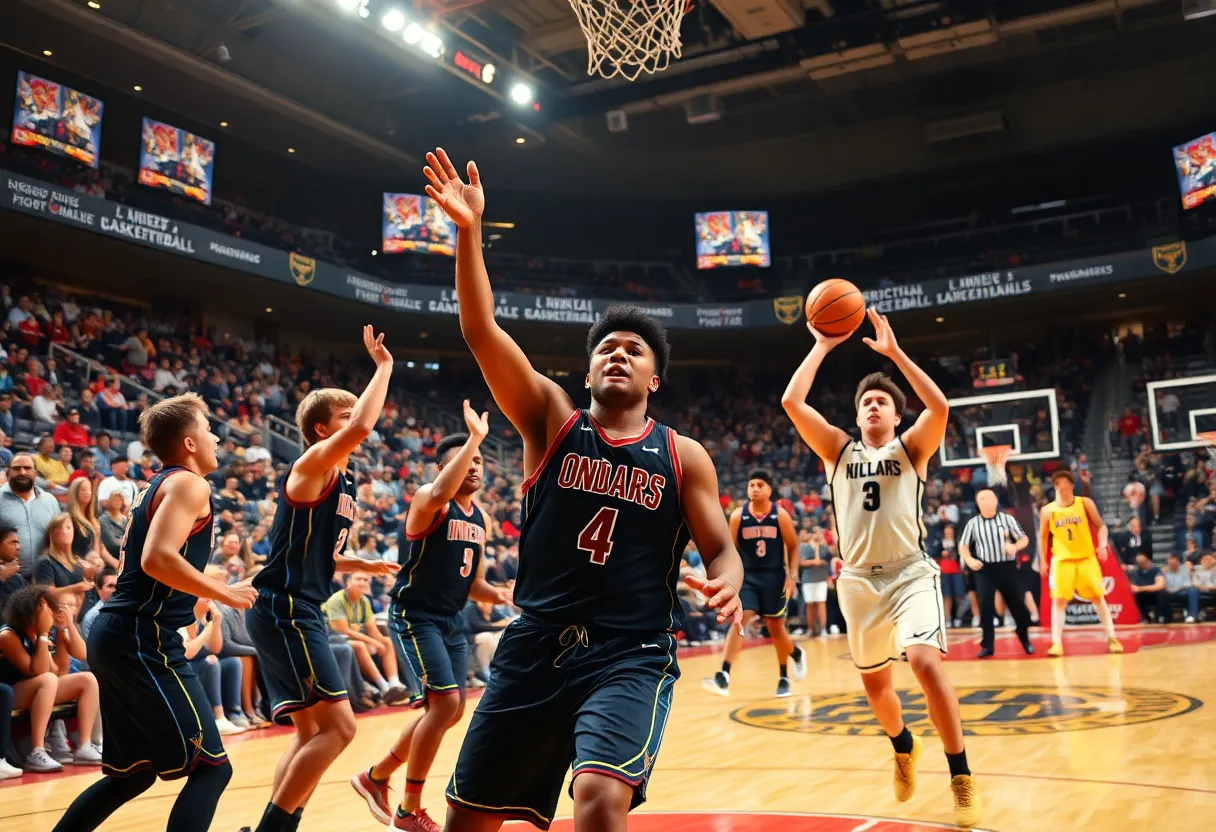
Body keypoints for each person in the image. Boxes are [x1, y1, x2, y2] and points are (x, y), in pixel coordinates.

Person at [423, 148, 743, 832]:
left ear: (655, 378)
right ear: (588, 369)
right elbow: (481, 332)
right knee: (467, 819)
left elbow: (721, 549)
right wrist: (468, 232)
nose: (618, 352)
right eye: (606, 347)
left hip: (630, 651)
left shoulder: (683, 455)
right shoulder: (550, 419)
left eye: (635, 348)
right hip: (535, 642)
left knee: (600, 797)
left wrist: (729, 579)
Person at [781, 309, 981, 828]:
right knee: (876, 690)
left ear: (896, 416)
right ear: (858, 415)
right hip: (858, 582)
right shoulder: (837, 450)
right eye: (866, 401)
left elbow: (939, 405)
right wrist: (823, 345)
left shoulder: (912, 447)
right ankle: (902, 744)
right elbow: (791, 402)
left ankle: (960, 775)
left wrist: (894, 356)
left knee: (924, 662)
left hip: (911, 572)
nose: (873, 405)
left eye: (883, 402)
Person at [51, 393, 258, 832]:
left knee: (134, 774)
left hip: (121, 634)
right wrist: (222, 591)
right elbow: (157, 558)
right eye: (207, 428)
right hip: (141, 639)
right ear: (188, 442)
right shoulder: (188, 483)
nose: (217, 436)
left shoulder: (157, 484)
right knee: (213, 768)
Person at [246, 326, 401, 832]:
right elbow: (361, 429)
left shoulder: (345, 481)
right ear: (320, 430)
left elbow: (319, 554)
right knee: (340, 728)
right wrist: (383, 369)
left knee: (311, 730)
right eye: (344, 414)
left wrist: (362, 565)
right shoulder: (311, 465)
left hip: (292, 605)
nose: (356, 421)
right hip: (287, 607)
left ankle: (277, 826)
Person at [353, 408, 512, 830]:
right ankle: (408, 808)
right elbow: (441, 490)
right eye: (467, 459)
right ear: (443, 468)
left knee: (449, 710)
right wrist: (475, 438)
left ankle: (376, 777)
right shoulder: (429, 500)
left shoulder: (483, 519)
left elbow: (473, 581)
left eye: (479, 460)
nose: (475, 465)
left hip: (451, 620)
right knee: (443, 705)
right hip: (415, 615)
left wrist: (500, 594)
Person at [704, 470, 805, 698]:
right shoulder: (739, 516)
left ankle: (784, 674)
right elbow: (731, 549)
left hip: (775, 577)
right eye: (751, 485)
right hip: (749, 576)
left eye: (760, 484)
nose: (755, 488)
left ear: (770, 489)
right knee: (741, 617)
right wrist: (728, 576)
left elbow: (794, 545)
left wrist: (792, 576)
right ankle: (724, 675)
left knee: (775, 628)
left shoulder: (780, 515)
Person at [0, 584, 102, 771]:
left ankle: (85, 746)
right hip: (7, 694)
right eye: (44, 607)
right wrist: (43, 634)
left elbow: (70, 663)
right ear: (29, 610)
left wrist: (66, 628)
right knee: (47, 679)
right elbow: (37, 672)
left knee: (87, 679)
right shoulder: (8, 635)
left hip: (33, 690)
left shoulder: (40, 635)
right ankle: (37, 751)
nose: (50, 611)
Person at [1040, 470, 1123, 656]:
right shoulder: (1048, 510)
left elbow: (1101, 526)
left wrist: (1102, 544)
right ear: (1054, 487)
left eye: (1064, 483)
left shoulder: (1085, 503)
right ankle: (1056, 643)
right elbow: (1043, 537)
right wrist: (1042, 560)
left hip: (1086, 558)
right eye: (1057, 483)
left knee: (1098, 598)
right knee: (1059, 601)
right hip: (1062, 560)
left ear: (1071, 485)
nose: (1061, 487)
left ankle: (1112, 637)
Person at [958, 489, 1034, 658]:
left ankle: (1024, 637)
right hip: (985, 570)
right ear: (977, 504)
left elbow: (1024, 538)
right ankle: (987, 645)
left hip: (1007, 567)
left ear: (995, 501)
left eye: (988, 498)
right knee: (985, 607)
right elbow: (963, 545)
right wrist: (969, 560)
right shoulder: (973, 523)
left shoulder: (1007, 519)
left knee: (1019, 605)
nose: (985, 501)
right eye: (981, 499)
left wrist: (1015, 547)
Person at [323, 571, 408, 704]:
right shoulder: (336, 599)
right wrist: (372, 641)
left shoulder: (364, 601)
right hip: (333, 638)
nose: (362, 583)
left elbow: (372, 629)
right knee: (360, 645)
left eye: (365, 580)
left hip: (353, 637)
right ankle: (383, 687)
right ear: (348, 583)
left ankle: (394, 683)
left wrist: (380, 641)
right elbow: (343, 630)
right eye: (358, 579)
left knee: (387, 641)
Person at [0, 454, 62, 574]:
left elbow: (57, 537)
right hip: (6, 578)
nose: (22, 472)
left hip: (42, 577)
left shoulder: (50, 501)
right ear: (8, 473)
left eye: (27, 468)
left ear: (35, 474)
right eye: (17, 468)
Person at [799, 527, 832, 637]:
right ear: (812, 534)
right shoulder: (804, 547)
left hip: (821, 578)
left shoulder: (824, 548)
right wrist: (813, 562)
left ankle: (823, 629)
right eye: (817, 533)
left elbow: (828, 560)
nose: (819, 535)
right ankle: (810, 629)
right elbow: (800, 562)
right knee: (809, 604)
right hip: (808, 579)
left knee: (821, 603)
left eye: (820, 533)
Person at [1129, 552, 1169, 622]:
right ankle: (1144, 617)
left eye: (1143, 562)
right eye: (1139, 562)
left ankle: (1160, 617)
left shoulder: (1156, 570)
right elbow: (1132, 585)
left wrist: (1141, 588)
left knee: (1162, 593)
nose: (1141, 564)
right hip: (1142, 595)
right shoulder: (1136, 572)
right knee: (1133, 595)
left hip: (1155, 595)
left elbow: (1160, 585)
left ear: (1148, 560)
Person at [1162, 553, 1200, 623]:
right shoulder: (1164, 571)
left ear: (1178, 562)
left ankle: (1193, 615)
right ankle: (1164, 616)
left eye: (1173, 562)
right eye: (1170, 563)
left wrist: (1178, 589)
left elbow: (1187, 584)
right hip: (1169, 593)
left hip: (1181, 593)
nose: (1172, 564)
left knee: (1192, 589)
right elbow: (1165, 586)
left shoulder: (1184, 569)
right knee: (1162, 593)